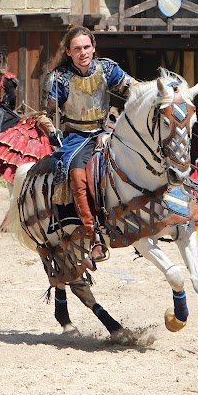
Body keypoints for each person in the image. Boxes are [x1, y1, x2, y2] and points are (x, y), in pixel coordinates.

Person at [42, 25, 135, 266]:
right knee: (76, 174)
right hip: (77, 136)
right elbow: (45, 114)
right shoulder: (59, 79)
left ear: (93, 48)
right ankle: (93, 235)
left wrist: (158, 94)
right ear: (68, 52)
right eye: (77, 48)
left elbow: (132, 88)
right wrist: (51, 130)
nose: (83, 52)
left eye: (86, 47)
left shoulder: (107, 69)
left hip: (107, 129)